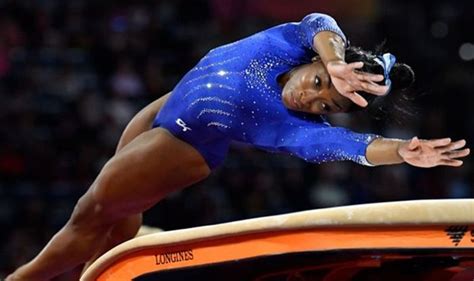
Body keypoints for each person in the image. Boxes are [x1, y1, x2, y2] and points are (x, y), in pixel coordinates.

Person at [7, 13, 469, 281]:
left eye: (323, 104)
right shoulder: (286, 42)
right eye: (317, 83)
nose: (308, 98)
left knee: (91, 212)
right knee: (115, 222)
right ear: (314, 61)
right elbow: (320, 23)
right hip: (165, 107)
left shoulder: (289, 126)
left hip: (182, 145)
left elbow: (350, 146)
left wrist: (400, 151)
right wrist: (336, 60)